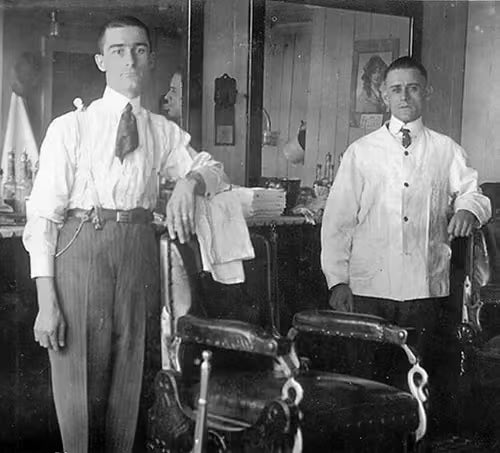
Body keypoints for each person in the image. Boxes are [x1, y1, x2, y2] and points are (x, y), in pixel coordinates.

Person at [22, 16, 229, 453]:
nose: (129, 59)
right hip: (82, 250)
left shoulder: (161, 131)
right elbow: (42, 218)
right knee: (79, 390)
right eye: (117, 50)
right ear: (101, 61)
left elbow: (214, 169)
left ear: (150, 59)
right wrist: (46, 303)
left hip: (138, 254)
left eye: (139, 49)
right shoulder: (70, 127)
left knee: (131, 387)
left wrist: (189, 183)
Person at [321, 56, 491, 428]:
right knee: (367, 384)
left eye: (413, 88)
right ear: (384, 95)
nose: (404, 96)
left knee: (420, 383)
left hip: (424, 288)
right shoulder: (361, 152)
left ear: (425, 92)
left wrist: (467, 209)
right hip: (370, 289)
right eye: (396, 89)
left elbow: (475, 194)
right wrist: (337, 281)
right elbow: (337, 222)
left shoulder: (446, 150)